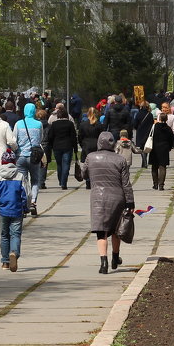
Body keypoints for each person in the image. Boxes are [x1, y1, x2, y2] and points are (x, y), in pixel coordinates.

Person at [86, 131, 135, 274]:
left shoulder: (91, 157)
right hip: (117, 197)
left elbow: (83, 175)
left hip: (97, 199)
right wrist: (130, 202)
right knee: (115, 229)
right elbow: (126, 183)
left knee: (101, 231)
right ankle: (115, 257)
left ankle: (103, 263)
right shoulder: (120, 160)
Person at [0, 149, 28, 272]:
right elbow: (27, 193)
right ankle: (14, 253)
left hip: (3, 211)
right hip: (17, 210)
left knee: (4, 236)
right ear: (14, 162)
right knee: (15, 234)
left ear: (2, 162)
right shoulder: (20, 176)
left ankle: (5, 262)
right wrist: (26, 207)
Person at [14, 102, 45, 217]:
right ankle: (33, 201)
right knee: (35, 180)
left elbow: (14, 139)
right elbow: (41, 138)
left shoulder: (19, 124)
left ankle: (23, 203)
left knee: (23, 181)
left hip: (21, 156)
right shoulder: (38, 124)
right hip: (34, 156)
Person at [45, 103, 78, 190]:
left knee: (59, 164)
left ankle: (60, 180)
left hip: (57, 147)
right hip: (68, 146)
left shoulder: (54, 124)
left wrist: (51, 145)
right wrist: (75, 148)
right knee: (66, 164)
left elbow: (50, 136)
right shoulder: (70, 124)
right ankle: (64, 182)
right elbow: (73, 137)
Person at [134, 102, 154, 169]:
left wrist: (138, 128)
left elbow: (135, 124)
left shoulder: (138, 114)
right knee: (147, 147)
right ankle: (144, 162)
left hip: (140, 132)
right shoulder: (150, 115)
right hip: (148, 132)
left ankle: (144, 162)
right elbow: (152, 124)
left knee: (142, 148)